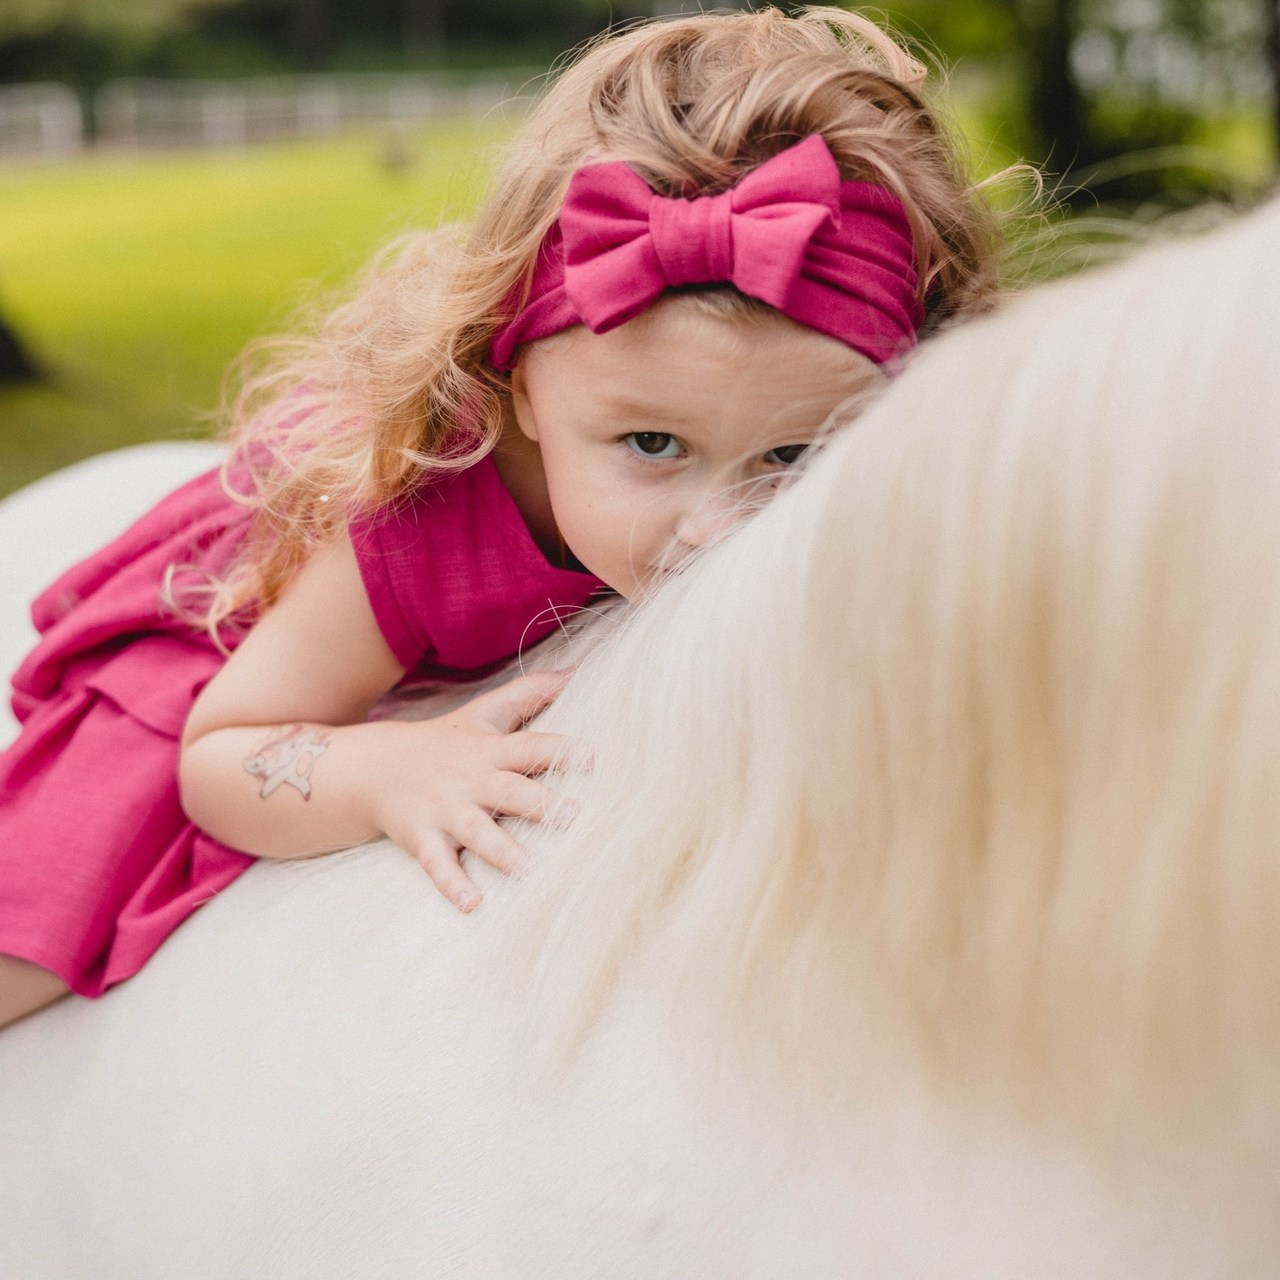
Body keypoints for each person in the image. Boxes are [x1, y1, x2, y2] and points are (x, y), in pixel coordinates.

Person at [0, 6, 1008, 1027]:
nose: (716, 525)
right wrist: (380, 767)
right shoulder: (414, 518)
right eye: (652, 445)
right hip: (236, 624)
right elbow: (223, 752)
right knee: (34, 928)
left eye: (792, 455)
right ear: (516, 385)